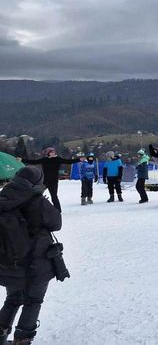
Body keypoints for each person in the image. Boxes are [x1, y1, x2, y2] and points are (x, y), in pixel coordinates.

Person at [0, 166, 62, 345]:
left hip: (8, 262)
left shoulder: (2, 197)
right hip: (36, 262)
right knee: (33, 301)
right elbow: (56, 223)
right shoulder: (36, 200)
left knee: (12, 299)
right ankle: (22, 340)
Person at [21, 147, 79, 212]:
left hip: (53, 182)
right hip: (45, 181)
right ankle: (32, 208)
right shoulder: (44, 159)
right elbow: (34, 162)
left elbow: (69, 162)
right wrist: (22, 160)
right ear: (48, 153)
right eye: (51, 152)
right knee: (36, 194)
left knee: (54, 196)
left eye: (54, 152)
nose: (53, 153)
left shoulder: (58, 159)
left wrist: (79, 160)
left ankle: (58, 210)